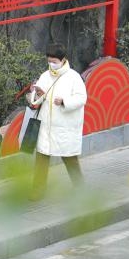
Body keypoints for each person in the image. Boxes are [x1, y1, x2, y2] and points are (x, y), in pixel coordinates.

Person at [27, 42, 87, 199]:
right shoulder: (45, 76)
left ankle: (80, 188)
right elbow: (35, 102)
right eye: (49, 61)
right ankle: (37, 191)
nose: (51, 64)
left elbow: (81, 98)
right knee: (41, 158)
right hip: (45, 126)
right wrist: (36, 94)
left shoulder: (73, 77)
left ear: (63, 60)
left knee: (69, 158)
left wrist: (65, 101)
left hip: (64, 128)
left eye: (54, 61)